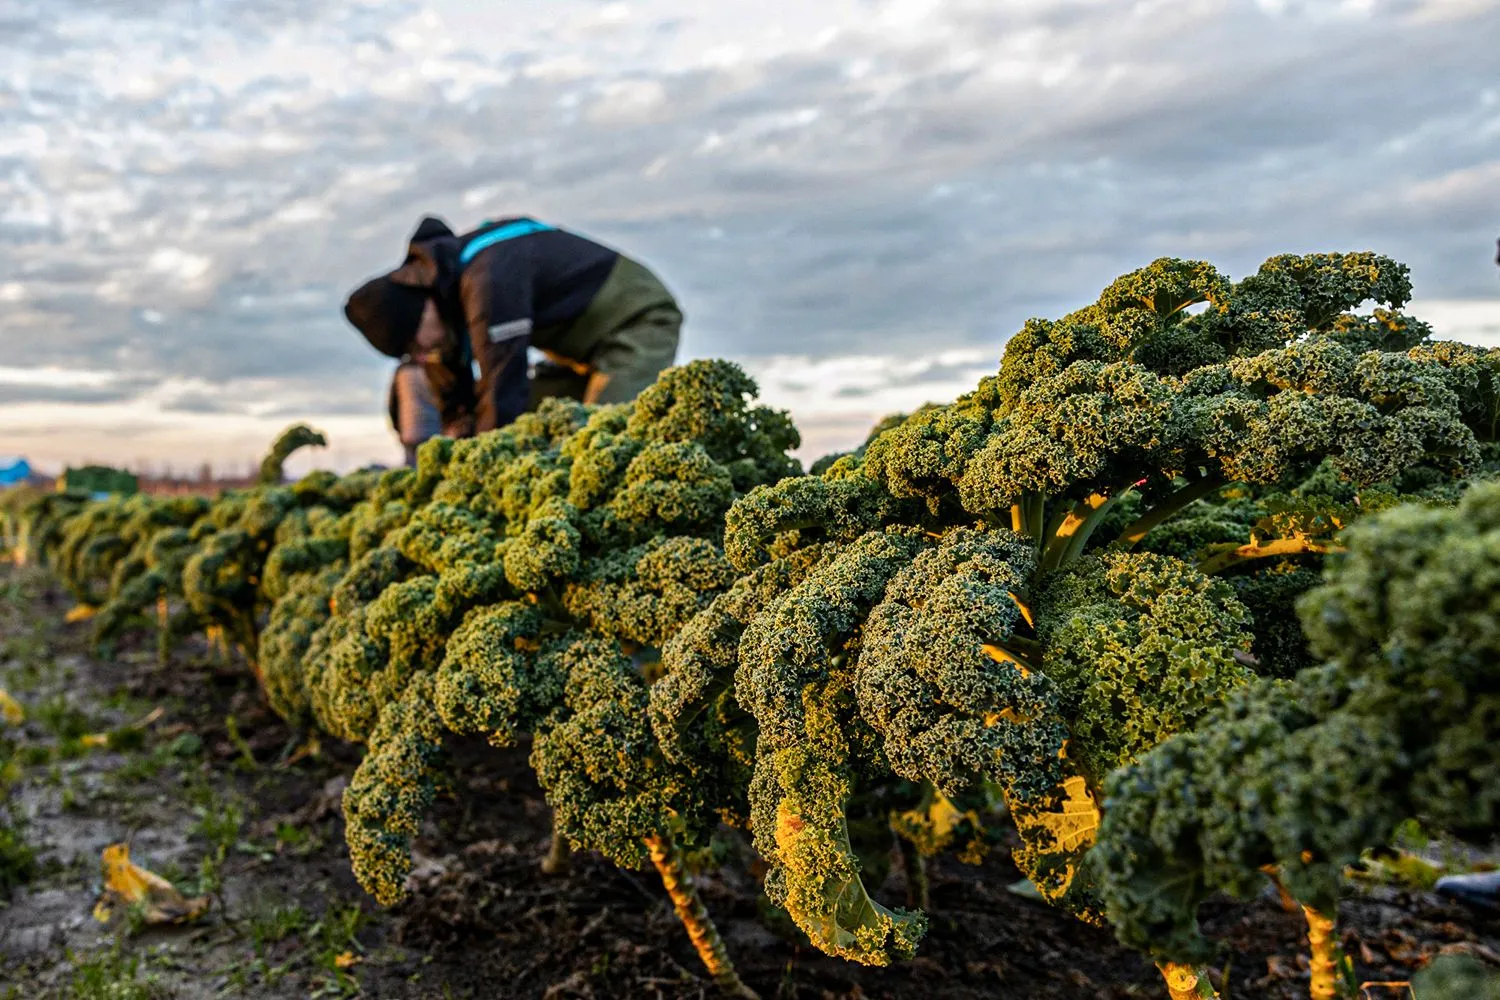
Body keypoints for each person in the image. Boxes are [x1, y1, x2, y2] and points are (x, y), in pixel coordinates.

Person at [344, 216, 682, 445]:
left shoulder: (488, 276)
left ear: (422, 309)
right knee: (544, 421)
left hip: (636, 320)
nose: (420, 354)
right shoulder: (445, 296)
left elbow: (502, 387)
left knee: (603, 440)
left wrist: (488, 469)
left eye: (415, 343)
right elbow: (456, 403)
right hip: (580, 355)